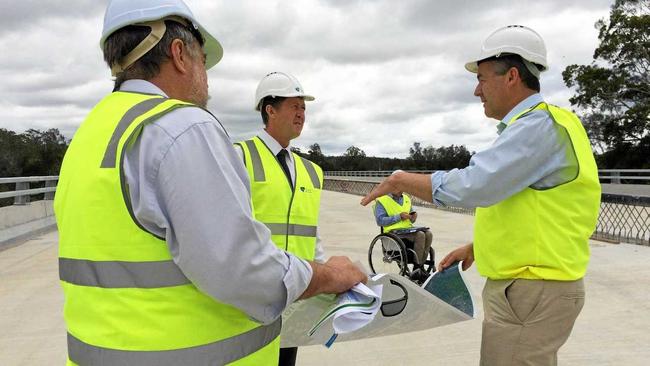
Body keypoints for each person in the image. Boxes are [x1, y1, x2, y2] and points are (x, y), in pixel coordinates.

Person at [54, 1, 366, 365]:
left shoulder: (90, 136)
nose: (207, 78)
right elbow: (244, 271)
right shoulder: (183, 126)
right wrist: (329, 276)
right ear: (179, 54)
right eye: (204, 59)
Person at [360, 25, 601, 365]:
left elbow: (476, 185)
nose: (476, 90)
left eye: (483, 78)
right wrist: (479, 247)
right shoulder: (550, 124)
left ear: (512, 76)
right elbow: (537, 209)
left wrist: (402, 180)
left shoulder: (536, 127)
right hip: (538, 285)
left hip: (532, 288)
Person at [234, 71, 323, 366]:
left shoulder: (312, 171)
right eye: (294, 106)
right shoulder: (239, 156)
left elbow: (313, 235)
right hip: (253, 299)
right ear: (270, 110)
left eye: (303, 108)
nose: (301, 114)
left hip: (297, 296)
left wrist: (323, 278)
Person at [373, 190, 433, 275]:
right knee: (420, 235)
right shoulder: (382, 201)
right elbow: (380, 221)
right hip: (393, 232)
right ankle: (417, 269)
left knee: (428, 234)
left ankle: (421, 266)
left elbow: (411, 220)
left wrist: (413, 217)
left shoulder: (406, 198)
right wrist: (399, 217)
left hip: (408, 230)